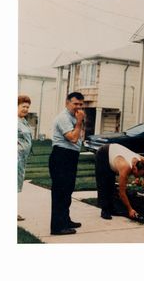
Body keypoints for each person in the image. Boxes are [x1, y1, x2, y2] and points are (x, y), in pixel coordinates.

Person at [48, 92, 85, 235]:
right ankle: (57, 227)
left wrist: (78, 121)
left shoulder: (74, 117)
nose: (78, 107)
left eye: (81, 104)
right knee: (60, 192)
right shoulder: (63, 118)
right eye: (75, 103)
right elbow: (73, 138)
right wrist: (80, 122)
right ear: (67, 103)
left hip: (70, 156)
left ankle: (65, 220)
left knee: (67, 190)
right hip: (61, 156)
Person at [95, 143, 144, 220]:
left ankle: (111, 208)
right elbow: (122, 192)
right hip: (103, 153)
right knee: (104, 183)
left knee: (111, 185)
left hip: (115, 152)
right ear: (135, 168)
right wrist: (130, 209)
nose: (140, 177)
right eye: (140, 175)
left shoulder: (143, 162)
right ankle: (105, 210)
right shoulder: (125, 167)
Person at [18, 95, 33, 221]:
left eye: (27, 107)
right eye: (23, 106)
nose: (26, 109)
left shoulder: (23, 121)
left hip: (22, 159)